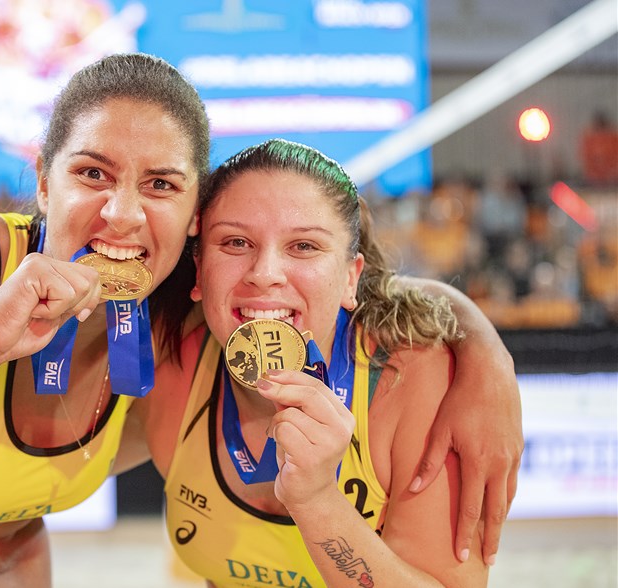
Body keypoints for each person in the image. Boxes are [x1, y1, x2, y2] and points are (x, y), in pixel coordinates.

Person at [0, 53, 516, 584]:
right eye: (93, 172)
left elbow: (318, 285)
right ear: (45, 183)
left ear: (194, 219)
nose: (123, 214)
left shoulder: (185, 315)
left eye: (161, 185)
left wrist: (482, 351)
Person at [136, 138, 510, 586]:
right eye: (236, 242)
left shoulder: (413, 379)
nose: (265, 271)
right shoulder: (170, 369)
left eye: (304, 247)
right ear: (199, 270)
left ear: (351, 277)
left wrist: (316, 499)